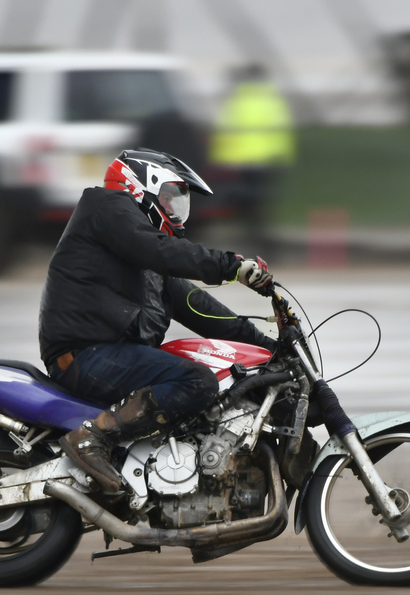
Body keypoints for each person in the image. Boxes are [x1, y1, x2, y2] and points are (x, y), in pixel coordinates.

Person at [38, 148, 275, 493]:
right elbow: (159, 249)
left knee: (207, 369)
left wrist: (268, 346)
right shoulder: (106, 208)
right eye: (168, 197)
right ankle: (92, 438)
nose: (174, 209)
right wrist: (232, 266)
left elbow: (202, 309)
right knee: (197, 381)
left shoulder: (147, 260)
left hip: (109, 354)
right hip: (85, 354)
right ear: (139, 185)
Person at [209, 64, 295, 252]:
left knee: (247, 205)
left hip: (241, 162)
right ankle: (261, 243)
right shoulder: (272, 99)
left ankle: (261, 243)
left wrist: (220, 159)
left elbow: (226, 133)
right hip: (267, 161)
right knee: (255, 205)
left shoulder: (238, 100)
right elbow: (282, 133)